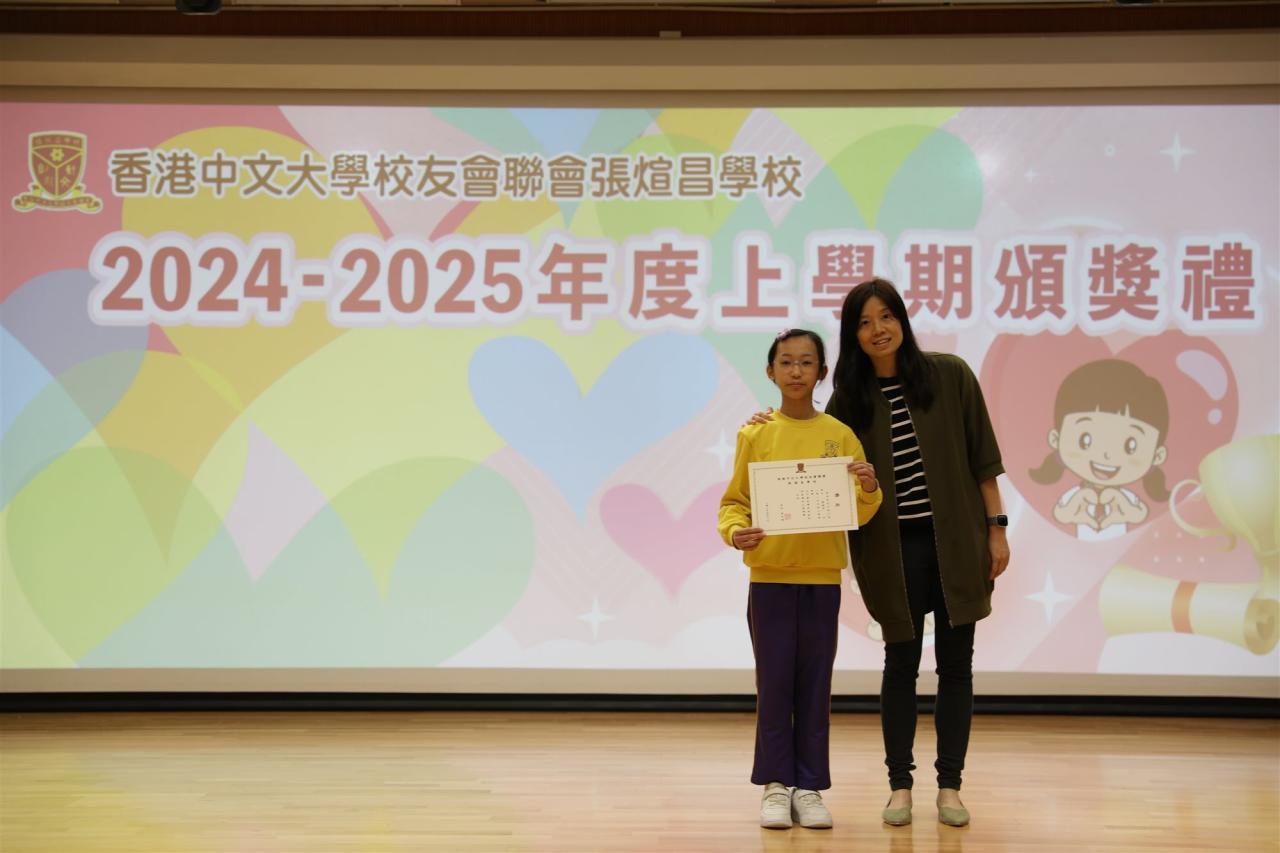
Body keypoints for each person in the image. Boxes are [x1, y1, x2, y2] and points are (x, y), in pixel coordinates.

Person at [749, 279, 1009, 828]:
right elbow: (808, 439)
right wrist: (763, 423)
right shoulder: (850, 399)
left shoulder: (951, 375)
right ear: (853, 335)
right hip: (889, 550)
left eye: (886, 317)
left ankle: (950, 786)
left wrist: (997, 528)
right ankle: (900, 786)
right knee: (900, 665)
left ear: (902, 320)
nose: (878, 330)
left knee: (956, 668)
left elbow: (983, 460)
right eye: (864, 323)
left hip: (957, 543)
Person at [718, 328, 883, 831]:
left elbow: (858, 510)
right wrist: (735, 533)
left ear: (822, 372)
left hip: (822, 579)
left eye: (806, 362)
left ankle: (809, 788)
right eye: (786, 362)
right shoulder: (755, 434)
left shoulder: (841, 435)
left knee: (814, 686)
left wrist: (869, 488)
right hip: (768, 578)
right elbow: (734, 502)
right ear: (770, 372)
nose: (796, 371)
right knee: (774, 685)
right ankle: (775, 785)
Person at [1029, 358, 1170, 541]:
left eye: (1130, 446)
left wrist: (1121, 508)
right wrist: (1078, 508)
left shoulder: (1127, 499)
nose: (1107, 455)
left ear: (1157, 455)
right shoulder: (1075, 496)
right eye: (1085, 440)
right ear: (1056, 439)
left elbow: (1138, 513)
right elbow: (1062, 514)